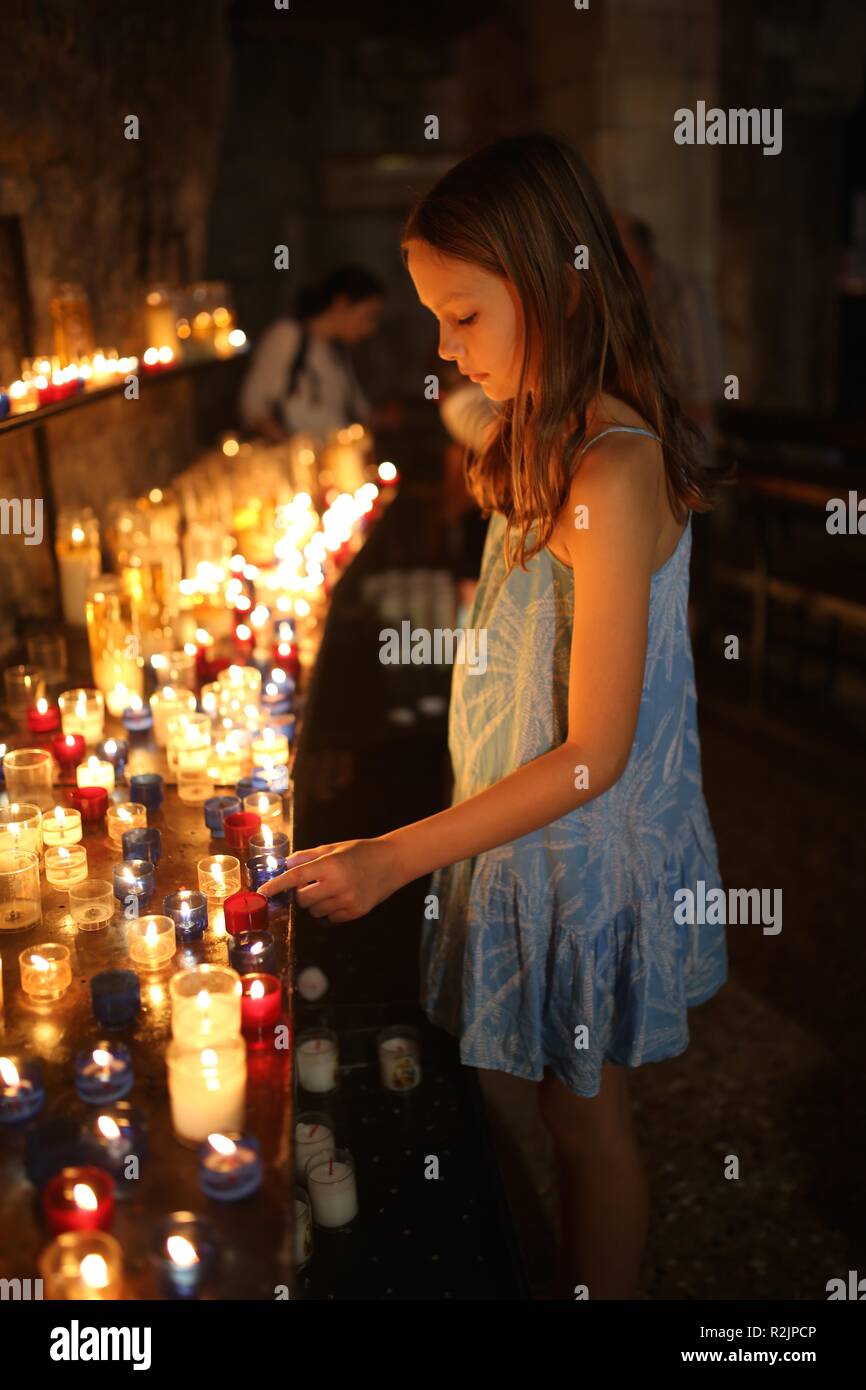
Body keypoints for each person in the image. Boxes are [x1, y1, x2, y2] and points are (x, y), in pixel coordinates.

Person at [261, 133, 730, 1300]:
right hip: (524, 841)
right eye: (430, 314)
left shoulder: (613, 472)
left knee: (585, 1129)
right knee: (563, 1114)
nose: (442, 348)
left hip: (580, 848)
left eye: (462, 314)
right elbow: (465, 419)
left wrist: (390, 858)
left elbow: (595, 754)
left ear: (558, 282)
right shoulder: (533, 429)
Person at [239, 264, 385, 441]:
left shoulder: (338, 353)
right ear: (341, 304)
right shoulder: (288, 335)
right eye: (368, 316)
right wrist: (292, 449)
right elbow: (253, 405)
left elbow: (360, 411)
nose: (370, 328)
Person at [614, 211, 723, 435]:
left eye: (611, 244)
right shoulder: (624, 300)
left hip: (683, 445)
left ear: (633, 253)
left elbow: (704, 404)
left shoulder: (684, 297)